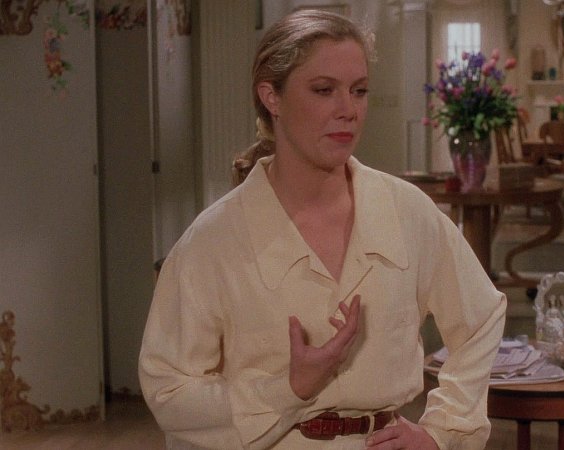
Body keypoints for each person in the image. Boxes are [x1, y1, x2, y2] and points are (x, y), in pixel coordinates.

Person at [139, 9, 506, 450]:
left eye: (359, 91)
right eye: (323, 90)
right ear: (271, 98)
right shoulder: (214, 241)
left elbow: (481, 318)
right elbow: (169, 392)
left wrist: (443, 431)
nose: (348, 110)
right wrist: (288, 389)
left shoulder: (406, 212)